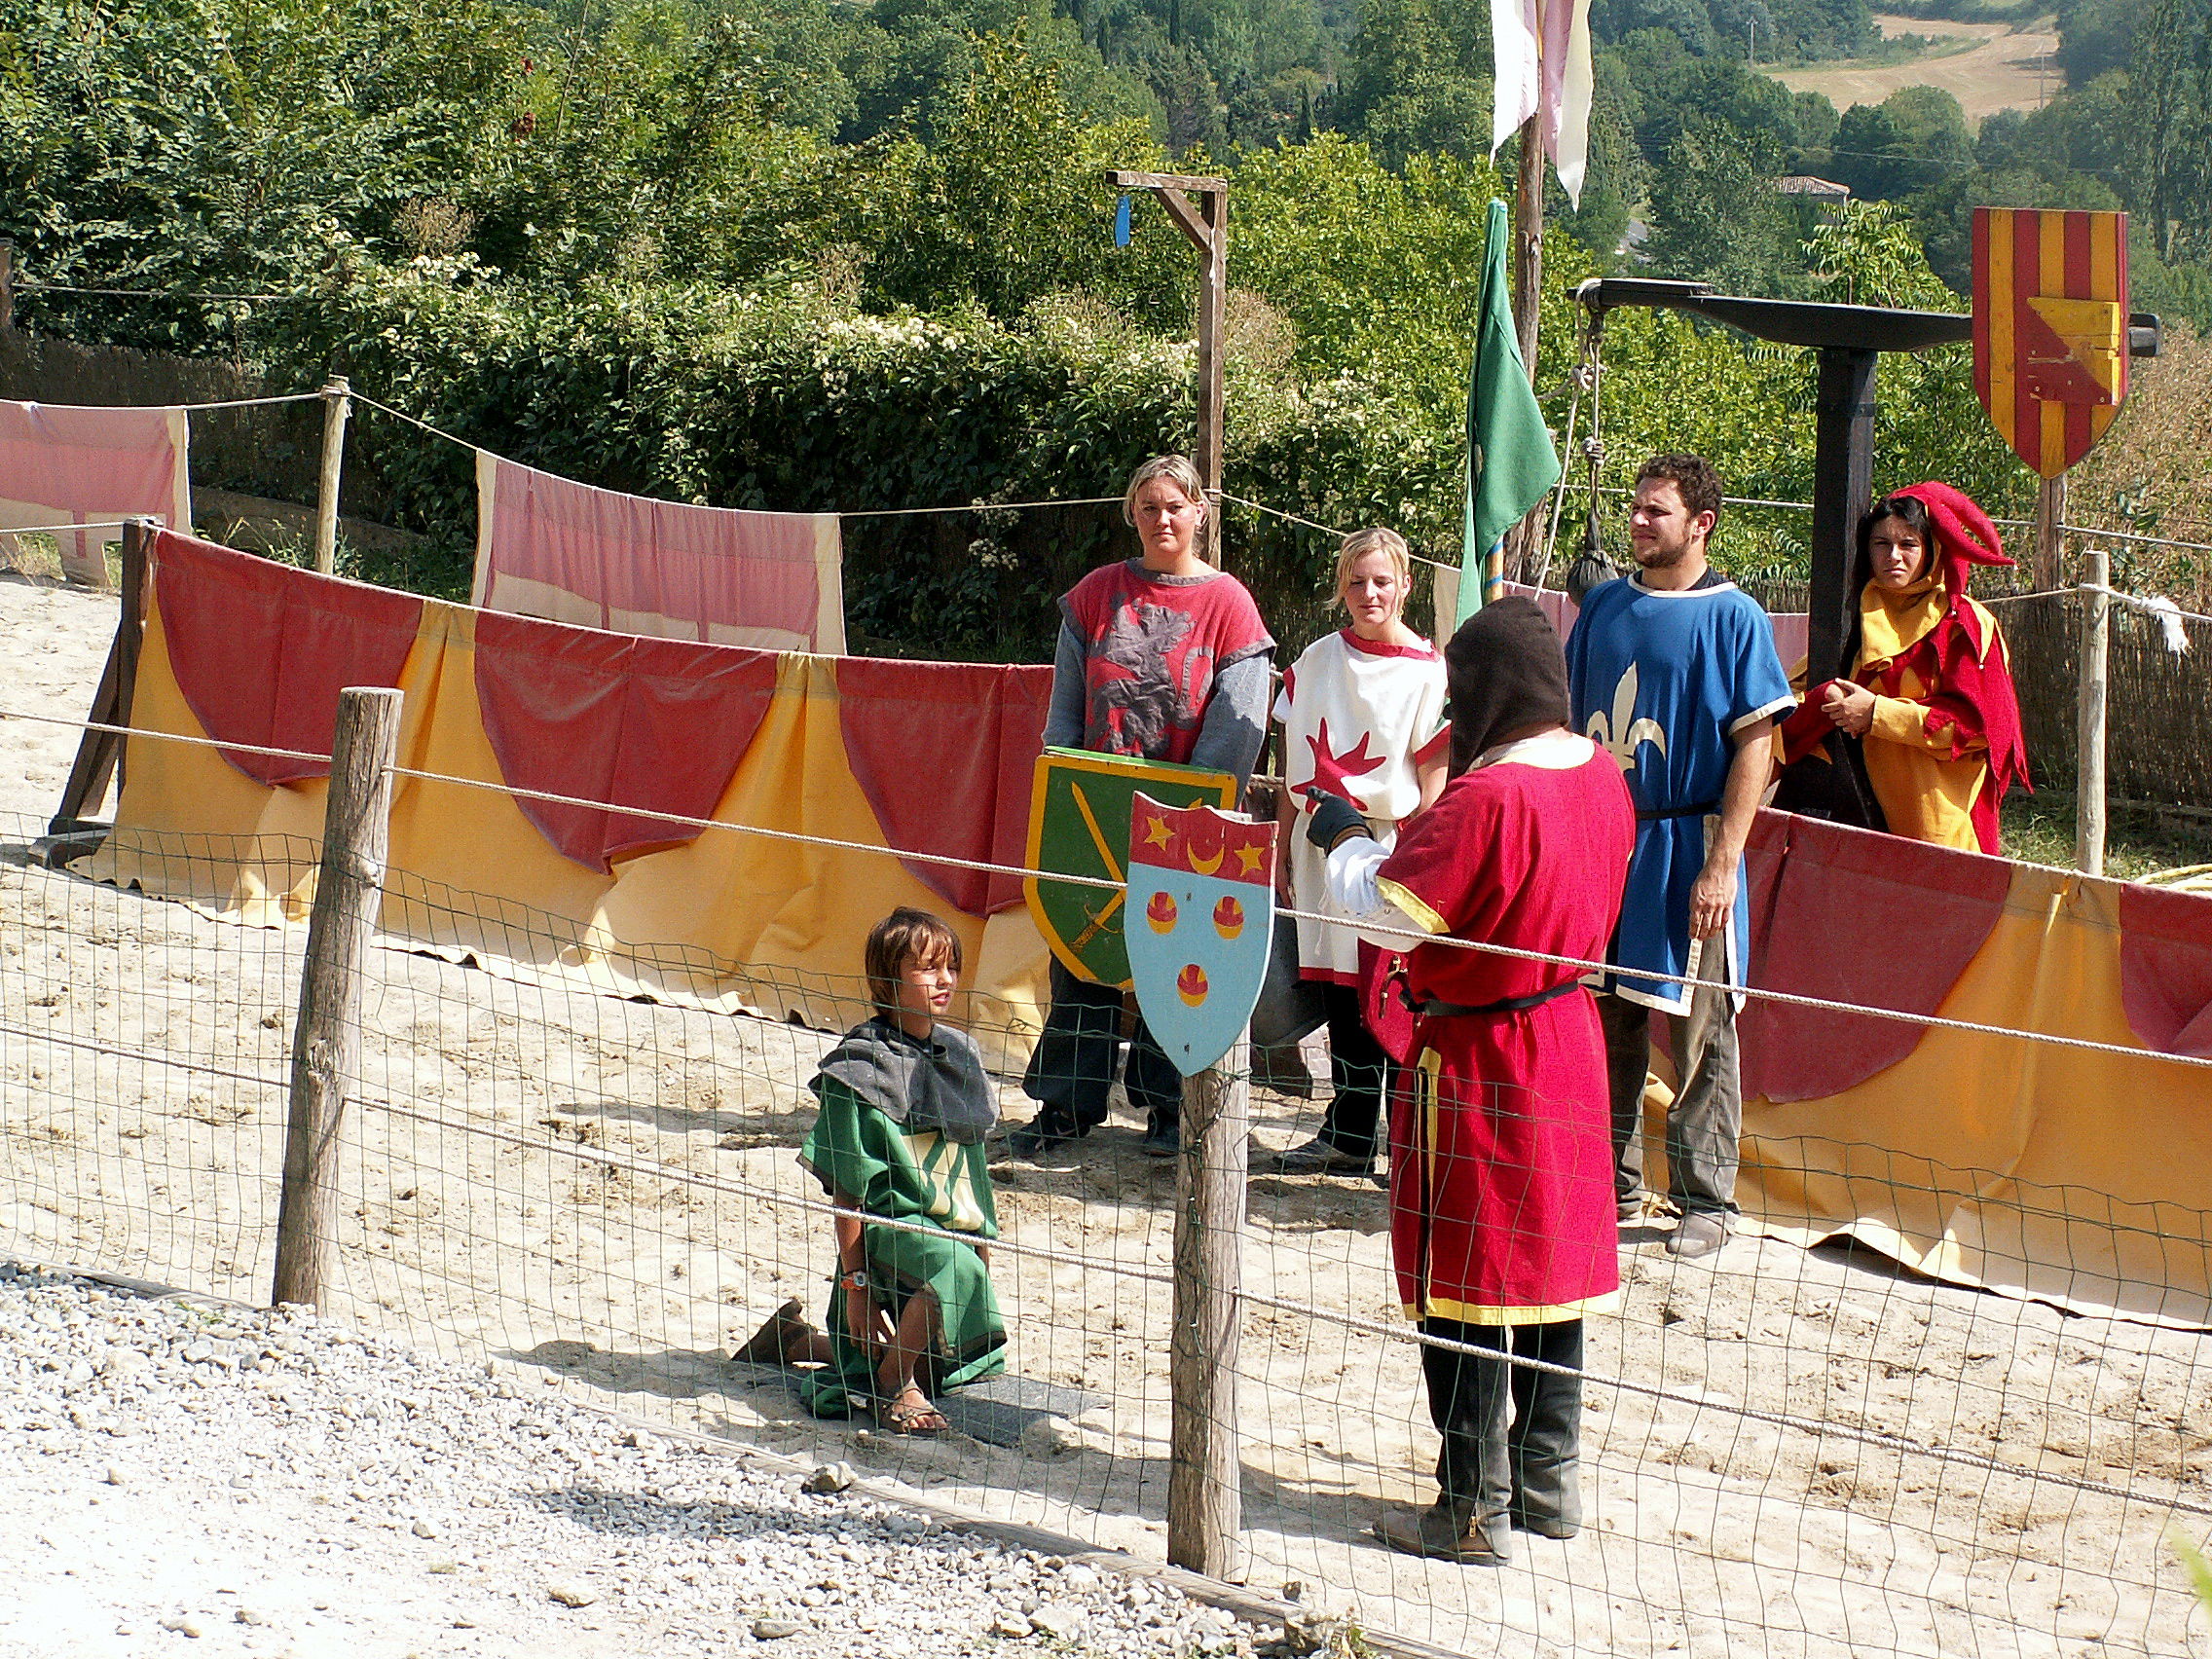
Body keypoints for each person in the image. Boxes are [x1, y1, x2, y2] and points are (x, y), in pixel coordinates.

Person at [1307, 597, 1634, 1565]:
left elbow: (1394, 916)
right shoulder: (1599, 779)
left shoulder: (1489, 799)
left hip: (1483, 1058)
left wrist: (1339, 838)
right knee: (1551, 1273)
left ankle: (1471, 1509)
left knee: (1469, 1278)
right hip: (1569, 1043)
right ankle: (1543, 1486)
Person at [1010, 455, 1274, 1161]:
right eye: (1150, 507)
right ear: (1134, 514)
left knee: (1175, 955)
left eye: (1176, 507)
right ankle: (1066, 1106)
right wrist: (1066, 780)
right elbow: (1066, 711)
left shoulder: (1229, 606)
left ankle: (1167, 1109)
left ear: (1200, 515)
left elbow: (1240, 719)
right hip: (1096, 802)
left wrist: (1200, 799)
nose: (1164, 520)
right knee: (1083, 949)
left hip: (1185, 808)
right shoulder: (1097, 595)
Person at [1565, 454, 1793, 1262]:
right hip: (1607, 838)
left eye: (1655, 511)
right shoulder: (1602, 608)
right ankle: (1607, 1180)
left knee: (1702, 1022)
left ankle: (1706, 1196)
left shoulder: (1736, 619)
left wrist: (1722, 862)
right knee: (1607, 1014)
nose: (1637, 521)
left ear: (1701, 524)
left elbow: (1756, 746)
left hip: (1688, 836)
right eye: (1635, 507)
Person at [737, 907, 1005, 1435]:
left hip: (948, 1229)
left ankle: (795, 1342)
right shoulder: (857, 1068)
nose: (945, 981)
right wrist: (857, 1285)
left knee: (949, 1362)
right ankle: (892, 1385)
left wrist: (982, 1238)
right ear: (888, 980)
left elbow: (969, 1166)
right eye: (927, 969)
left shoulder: (963, 1057)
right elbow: (848, 1190)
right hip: (888, 1229)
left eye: (950, 966)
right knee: (949, 1281)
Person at [1268, 527, 1450, 1177]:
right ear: (1341, 587)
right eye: (1356, 581)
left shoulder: (1430, 674)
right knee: (1341, 990)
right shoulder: (1317, 660)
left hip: (1387, 845)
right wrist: (1282, 843)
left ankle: (1406, 1140)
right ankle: (1348, 1132)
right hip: (1318, 840)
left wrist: (1416, 863)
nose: (1369, 593)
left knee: (1391, 988)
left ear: (1405, 584)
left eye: (1381, 580)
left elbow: (1432, 782)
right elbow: (1293, 763)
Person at [1778, 483, 2029, 853]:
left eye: (1908, 544)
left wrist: (1877, 713)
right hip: (1850, 812)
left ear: (1931, 550)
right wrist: (1820, 699)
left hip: (1934, 821)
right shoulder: (1853, 616)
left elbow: (1980, 728)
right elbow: (1794, 692)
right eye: (1881, 544)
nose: (1893, 556)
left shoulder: (1964, 625)